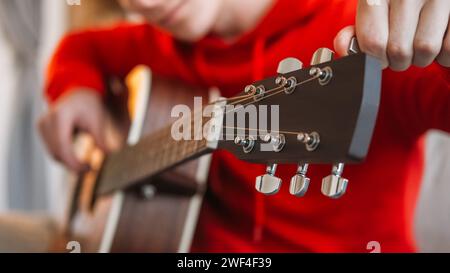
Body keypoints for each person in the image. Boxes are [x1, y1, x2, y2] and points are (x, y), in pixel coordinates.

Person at [39, 0, 450, 252]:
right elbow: (78, 47)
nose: (146, 2)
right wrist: (73, 87)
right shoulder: (157, 42)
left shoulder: (366, 40)